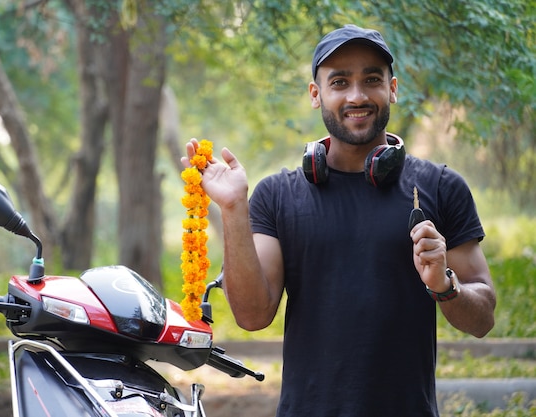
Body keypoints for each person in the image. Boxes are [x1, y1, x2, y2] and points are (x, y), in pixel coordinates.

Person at [182, 24, 496, 417]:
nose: (357, 95)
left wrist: (445, 284)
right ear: (317, 95)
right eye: (340, 82)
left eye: (371, 79)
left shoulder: (441, 187)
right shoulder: (277, 196)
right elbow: (252, 315)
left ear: (392, 88)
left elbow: (483, 317)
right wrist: (232, 210)